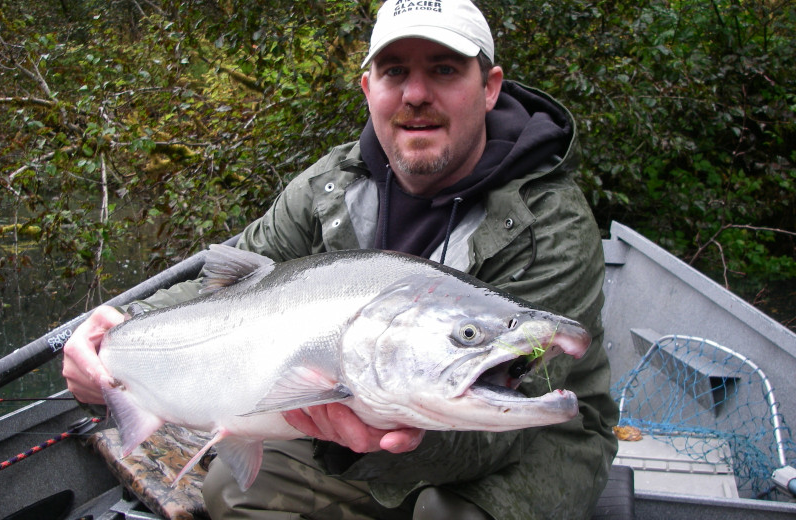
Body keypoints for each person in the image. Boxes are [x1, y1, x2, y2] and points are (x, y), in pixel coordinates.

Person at [62, 0, 619, 518]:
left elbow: (528, 402)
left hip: (524, 445)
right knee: (231, 491)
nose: (416, 93)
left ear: (490, 87)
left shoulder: (552, 221)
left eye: (445, 70)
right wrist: (116, 333)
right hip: (355, 410)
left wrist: (394, 427)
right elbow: (228, 284)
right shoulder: (327, 186)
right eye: (394, 71)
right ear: (368, 86)